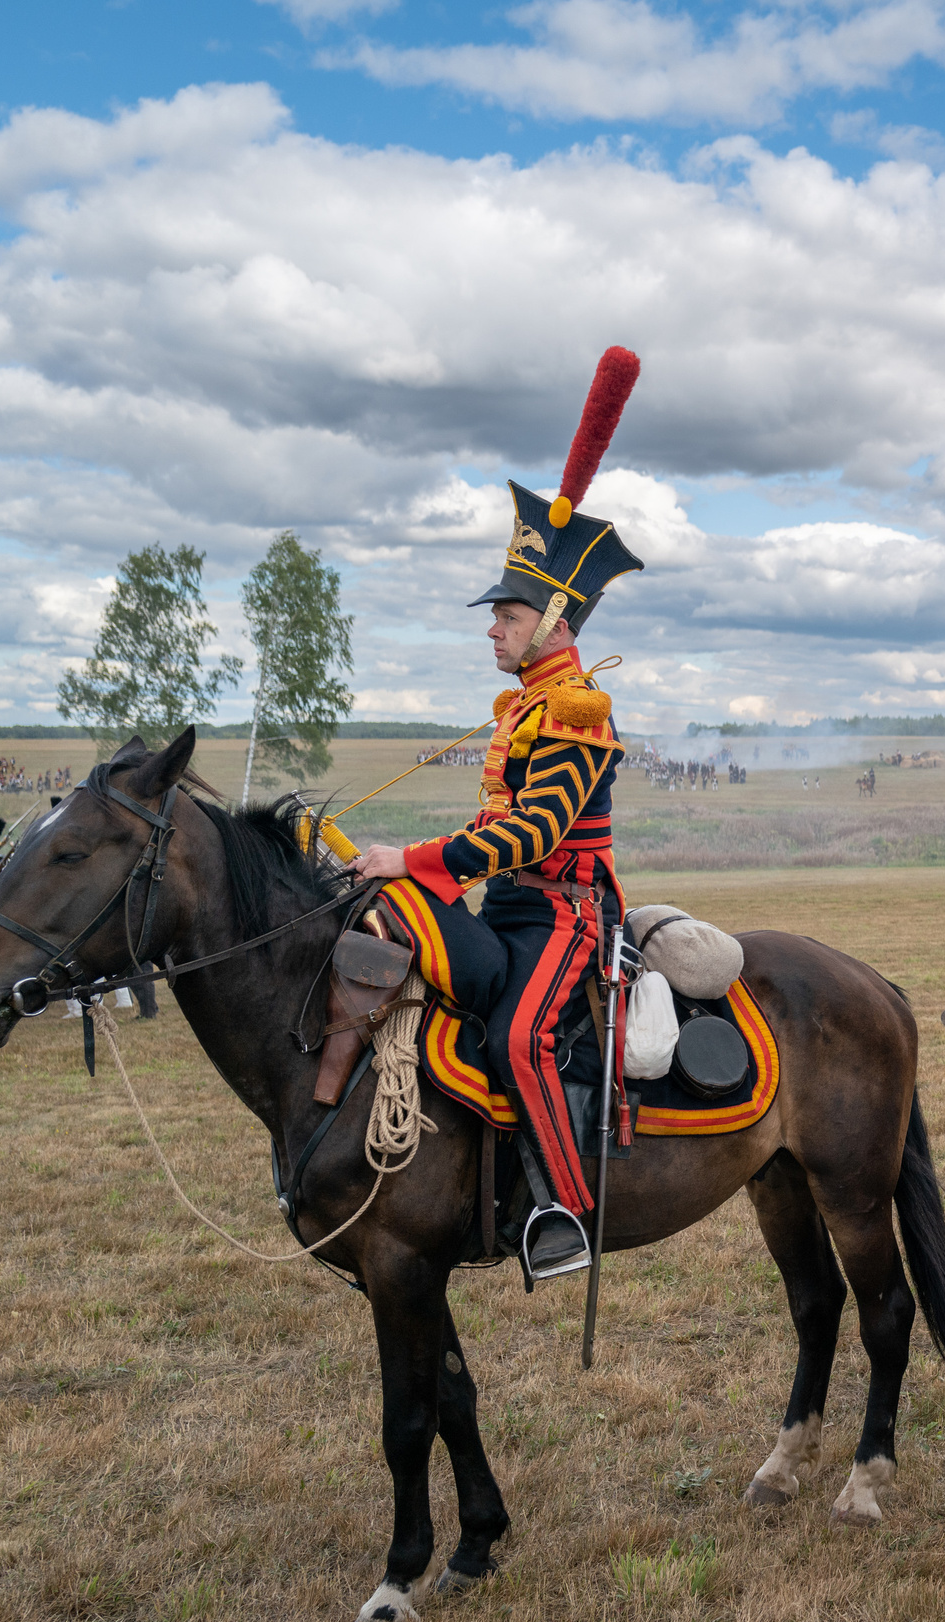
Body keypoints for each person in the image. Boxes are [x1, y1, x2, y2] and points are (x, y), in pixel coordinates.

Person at [347, 347, 646, 1283]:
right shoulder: (523, 705)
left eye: (508, 613)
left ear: (557, 617)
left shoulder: (575, 711)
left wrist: (414, 858)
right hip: (509, 908)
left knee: (520, 1035)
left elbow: (532, 837)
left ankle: (566, 1205)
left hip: (565, 911)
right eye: (495, 613)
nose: (492, 625)